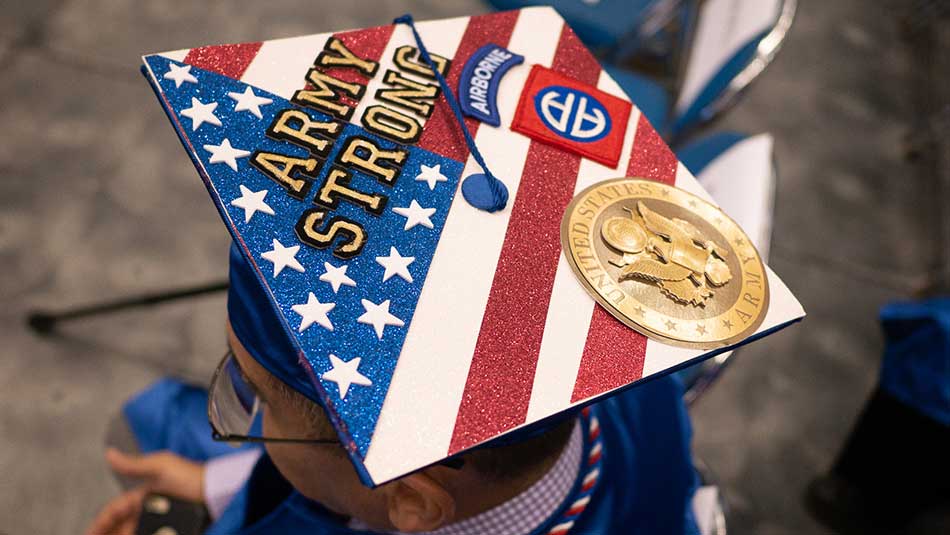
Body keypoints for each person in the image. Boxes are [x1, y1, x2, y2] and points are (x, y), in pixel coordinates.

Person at [86, 244, 702, 535]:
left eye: (257, 400)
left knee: (146, 416)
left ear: (413, 504)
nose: (239, 406)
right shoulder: (633, 380)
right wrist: (215, 488)